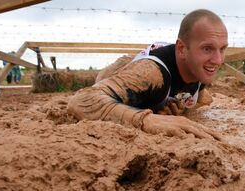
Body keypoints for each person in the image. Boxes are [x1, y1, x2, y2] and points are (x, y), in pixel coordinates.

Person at [67, 9, 228, 139]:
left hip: (156, 69)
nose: (218, 60)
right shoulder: (151, 74)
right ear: (181, 49)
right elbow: (81, 101)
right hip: (124, 71)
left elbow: (201, 100)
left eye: (222, 49)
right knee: (105, 81)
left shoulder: (202, 70)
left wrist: (180, 110)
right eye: (207, 48)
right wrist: (147, 120)